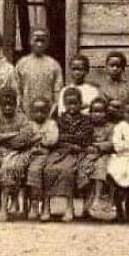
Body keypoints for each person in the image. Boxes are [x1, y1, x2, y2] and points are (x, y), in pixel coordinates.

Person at [41, 87, 93, 223]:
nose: (72, 107)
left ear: (80, 104)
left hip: (76, 153)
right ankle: (46, 206)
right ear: (64, 104)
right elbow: (56, 138)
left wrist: (68, 139)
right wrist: (69, 140)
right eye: (68, 104)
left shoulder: (86, 120)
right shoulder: (59, 120)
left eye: (75, 103)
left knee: (68, 171)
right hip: (59, 151)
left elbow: (84, 139)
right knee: (48, 169)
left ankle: (69, 206)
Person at [0, 86, 33, 222]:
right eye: (4, 104)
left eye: (10, 104)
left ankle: (3, 208)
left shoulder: (22, 118)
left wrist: (4, 137)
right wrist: (12, 134)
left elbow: (22, 139)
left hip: (16, 152)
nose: (8, 107)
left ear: (16, 103)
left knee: (7, 167)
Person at [77, 96, 114, 217]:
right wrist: (87, 146)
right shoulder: (87, 125)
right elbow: (82, 140)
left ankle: (97, 198)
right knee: (83, 169)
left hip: (104, 155)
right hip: (88, 154)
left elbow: (112, 143)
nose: (97, 114)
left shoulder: (110, 127)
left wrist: (99, 146)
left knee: (100, 166)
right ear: (90, 113)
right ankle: (86, 202)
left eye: (100, 112)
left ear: (106, 113)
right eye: (94, 111)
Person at [23, 97, 59, 220]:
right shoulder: (29, 124)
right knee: (29, 170)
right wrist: (38, 138)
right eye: (36, 111)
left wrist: (37, 139)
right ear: (31, 112)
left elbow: (52, 140)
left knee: (44, 172)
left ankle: (45, 205)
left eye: (42, 111)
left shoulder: (51, 124)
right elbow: (24, 139)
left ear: (48, 111)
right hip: (31, 154)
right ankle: (33, 204)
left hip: (48, 154)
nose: (39, 114)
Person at [15, 27, 63, 116]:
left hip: (47, 113)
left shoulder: (54, 65)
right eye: (36, 40)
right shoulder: (21, 64)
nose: (39, 44)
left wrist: (53, 110)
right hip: (26, 112)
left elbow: (57, 91)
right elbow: (17, 89)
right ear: (30, 41)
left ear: (47, 43)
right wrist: (21, 109)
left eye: (42, 41)